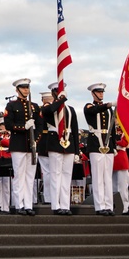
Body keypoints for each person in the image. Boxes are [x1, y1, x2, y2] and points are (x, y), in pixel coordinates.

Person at [3, 78, 40, 216]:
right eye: (23, 88)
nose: (26, 90)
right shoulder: (11, 105)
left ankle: (28, 205)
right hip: (18, 144)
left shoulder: (34, 106)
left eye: (27, 87)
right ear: (17, 90)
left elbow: (40, 125)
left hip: (31, 146)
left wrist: (35, 140)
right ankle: (19, 204)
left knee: (30, 177)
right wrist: (23, 127)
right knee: (19, 176)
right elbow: (8, 124)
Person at [42, 82, 79, 215]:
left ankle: (65, 205)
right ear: (53, 93)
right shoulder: (48, 108)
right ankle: (56, 204)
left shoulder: (70, 110)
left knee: (67, 176)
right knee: (55, 175)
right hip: (54, 142)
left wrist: (77, 151)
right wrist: (61, 100)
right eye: (58, 91)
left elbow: (75, 130)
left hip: (68, 143)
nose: (61, 92)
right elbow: (51, 110)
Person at [84, 82, 116, 216]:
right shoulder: (89, 106)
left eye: (102, 92)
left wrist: (113, 146)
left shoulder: (109, 110)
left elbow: (112, 128)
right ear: (93, 94)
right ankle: (100, 206)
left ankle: (109, 205)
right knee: (98, 177)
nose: (101, 94)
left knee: (108, 177)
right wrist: (108, 105)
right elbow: (93, 111)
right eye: (98, 92)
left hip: (107, 144)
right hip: (95, 144)